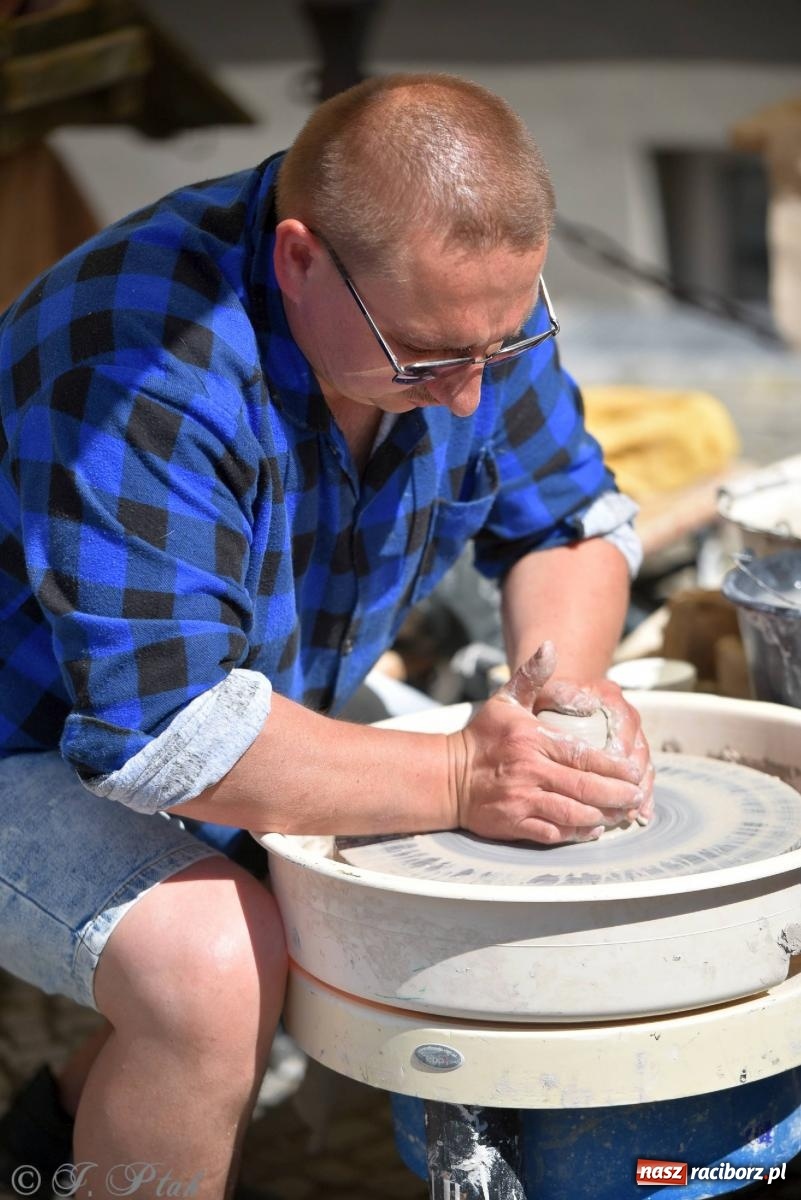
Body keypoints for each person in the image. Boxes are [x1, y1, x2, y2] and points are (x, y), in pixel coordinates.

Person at [0, 73, 653, 1196]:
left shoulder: (463, 312)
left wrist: (559, 711)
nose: (467, 395)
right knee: (214, 967)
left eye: (500, 346)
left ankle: (59, 1135)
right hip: (39, 728)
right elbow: (171, 736)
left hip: (259, 692)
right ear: (300, 259)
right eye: (424, 360)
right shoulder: (134, 354)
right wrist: (459, 773)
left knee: (487, 865)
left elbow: (569, 521)